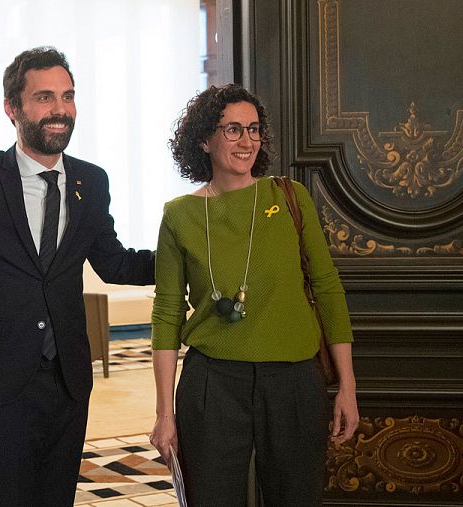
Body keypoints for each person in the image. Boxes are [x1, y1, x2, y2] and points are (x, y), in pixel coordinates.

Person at [0, 46, 155, 505]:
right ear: (12, 108)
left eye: (68, 97)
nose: (61, 110)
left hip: (68, 381)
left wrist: (188, 256)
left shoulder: (92, 181)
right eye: (45, 98)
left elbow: (115, 262)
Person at [149, 83, 359, 506]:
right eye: (231, 130)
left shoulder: (289, 198)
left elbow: (328, 288)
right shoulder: (179, 215)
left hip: (295, 380)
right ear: (204, 139)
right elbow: (167, 313)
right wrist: (164, 412)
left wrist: (348, 387)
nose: (246, 141)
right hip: (212, 383)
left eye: (253, 129)